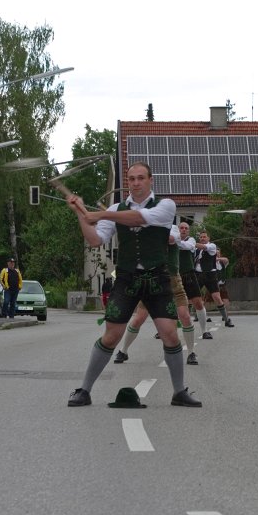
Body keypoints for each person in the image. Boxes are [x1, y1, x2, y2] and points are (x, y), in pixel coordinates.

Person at [65, 161, 201, 408]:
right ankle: (84, 390)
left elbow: (140, 218)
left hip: (158, 277)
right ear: (127, 182)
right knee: (111, 336)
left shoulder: (165, 206)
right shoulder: (118, 207)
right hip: (127, 278)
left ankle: (179, 392)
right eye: (131, 179)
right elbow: (96, 239)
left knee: (170, 333)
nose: (136, 183)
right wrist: (81, 214)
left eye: (141, 178)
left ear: (150, 180)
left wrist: (101, 213)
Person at [114, 224, 200, 366]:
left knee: (184, 315)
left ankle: (191, 353)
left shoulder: (172, 228)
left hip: (172, 279)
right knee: (138, 318)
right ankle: (123, 351)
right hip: (152, 280)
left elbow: (171, 239)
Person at [177, 222, 215, 340]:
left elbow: (186, 246)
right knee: (170, 304)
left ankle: (205, 331)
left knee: (198, 303)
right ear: (178, 230)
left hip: (189, 275)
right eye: (181, 228)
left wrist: (174, 242)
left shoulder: (191, 240)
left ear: (188, 231)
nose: (183, 230)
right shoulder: (171, 239)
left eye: (186, 228)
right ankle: (166, 329)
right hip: (174, 275)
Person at [196, 231, 230, 325]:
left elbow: (204, 247)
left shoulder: (212, 246)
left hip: (210, 275)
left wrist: (191, 243)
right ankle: (197, 316)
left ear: (208, 238)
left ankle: (226, 319)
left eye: (204, 237)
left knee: (217, 297)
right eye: (201, 237)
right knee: (194, 297)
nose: (202, 238)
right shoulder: (196, 250)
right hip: (198, 274)